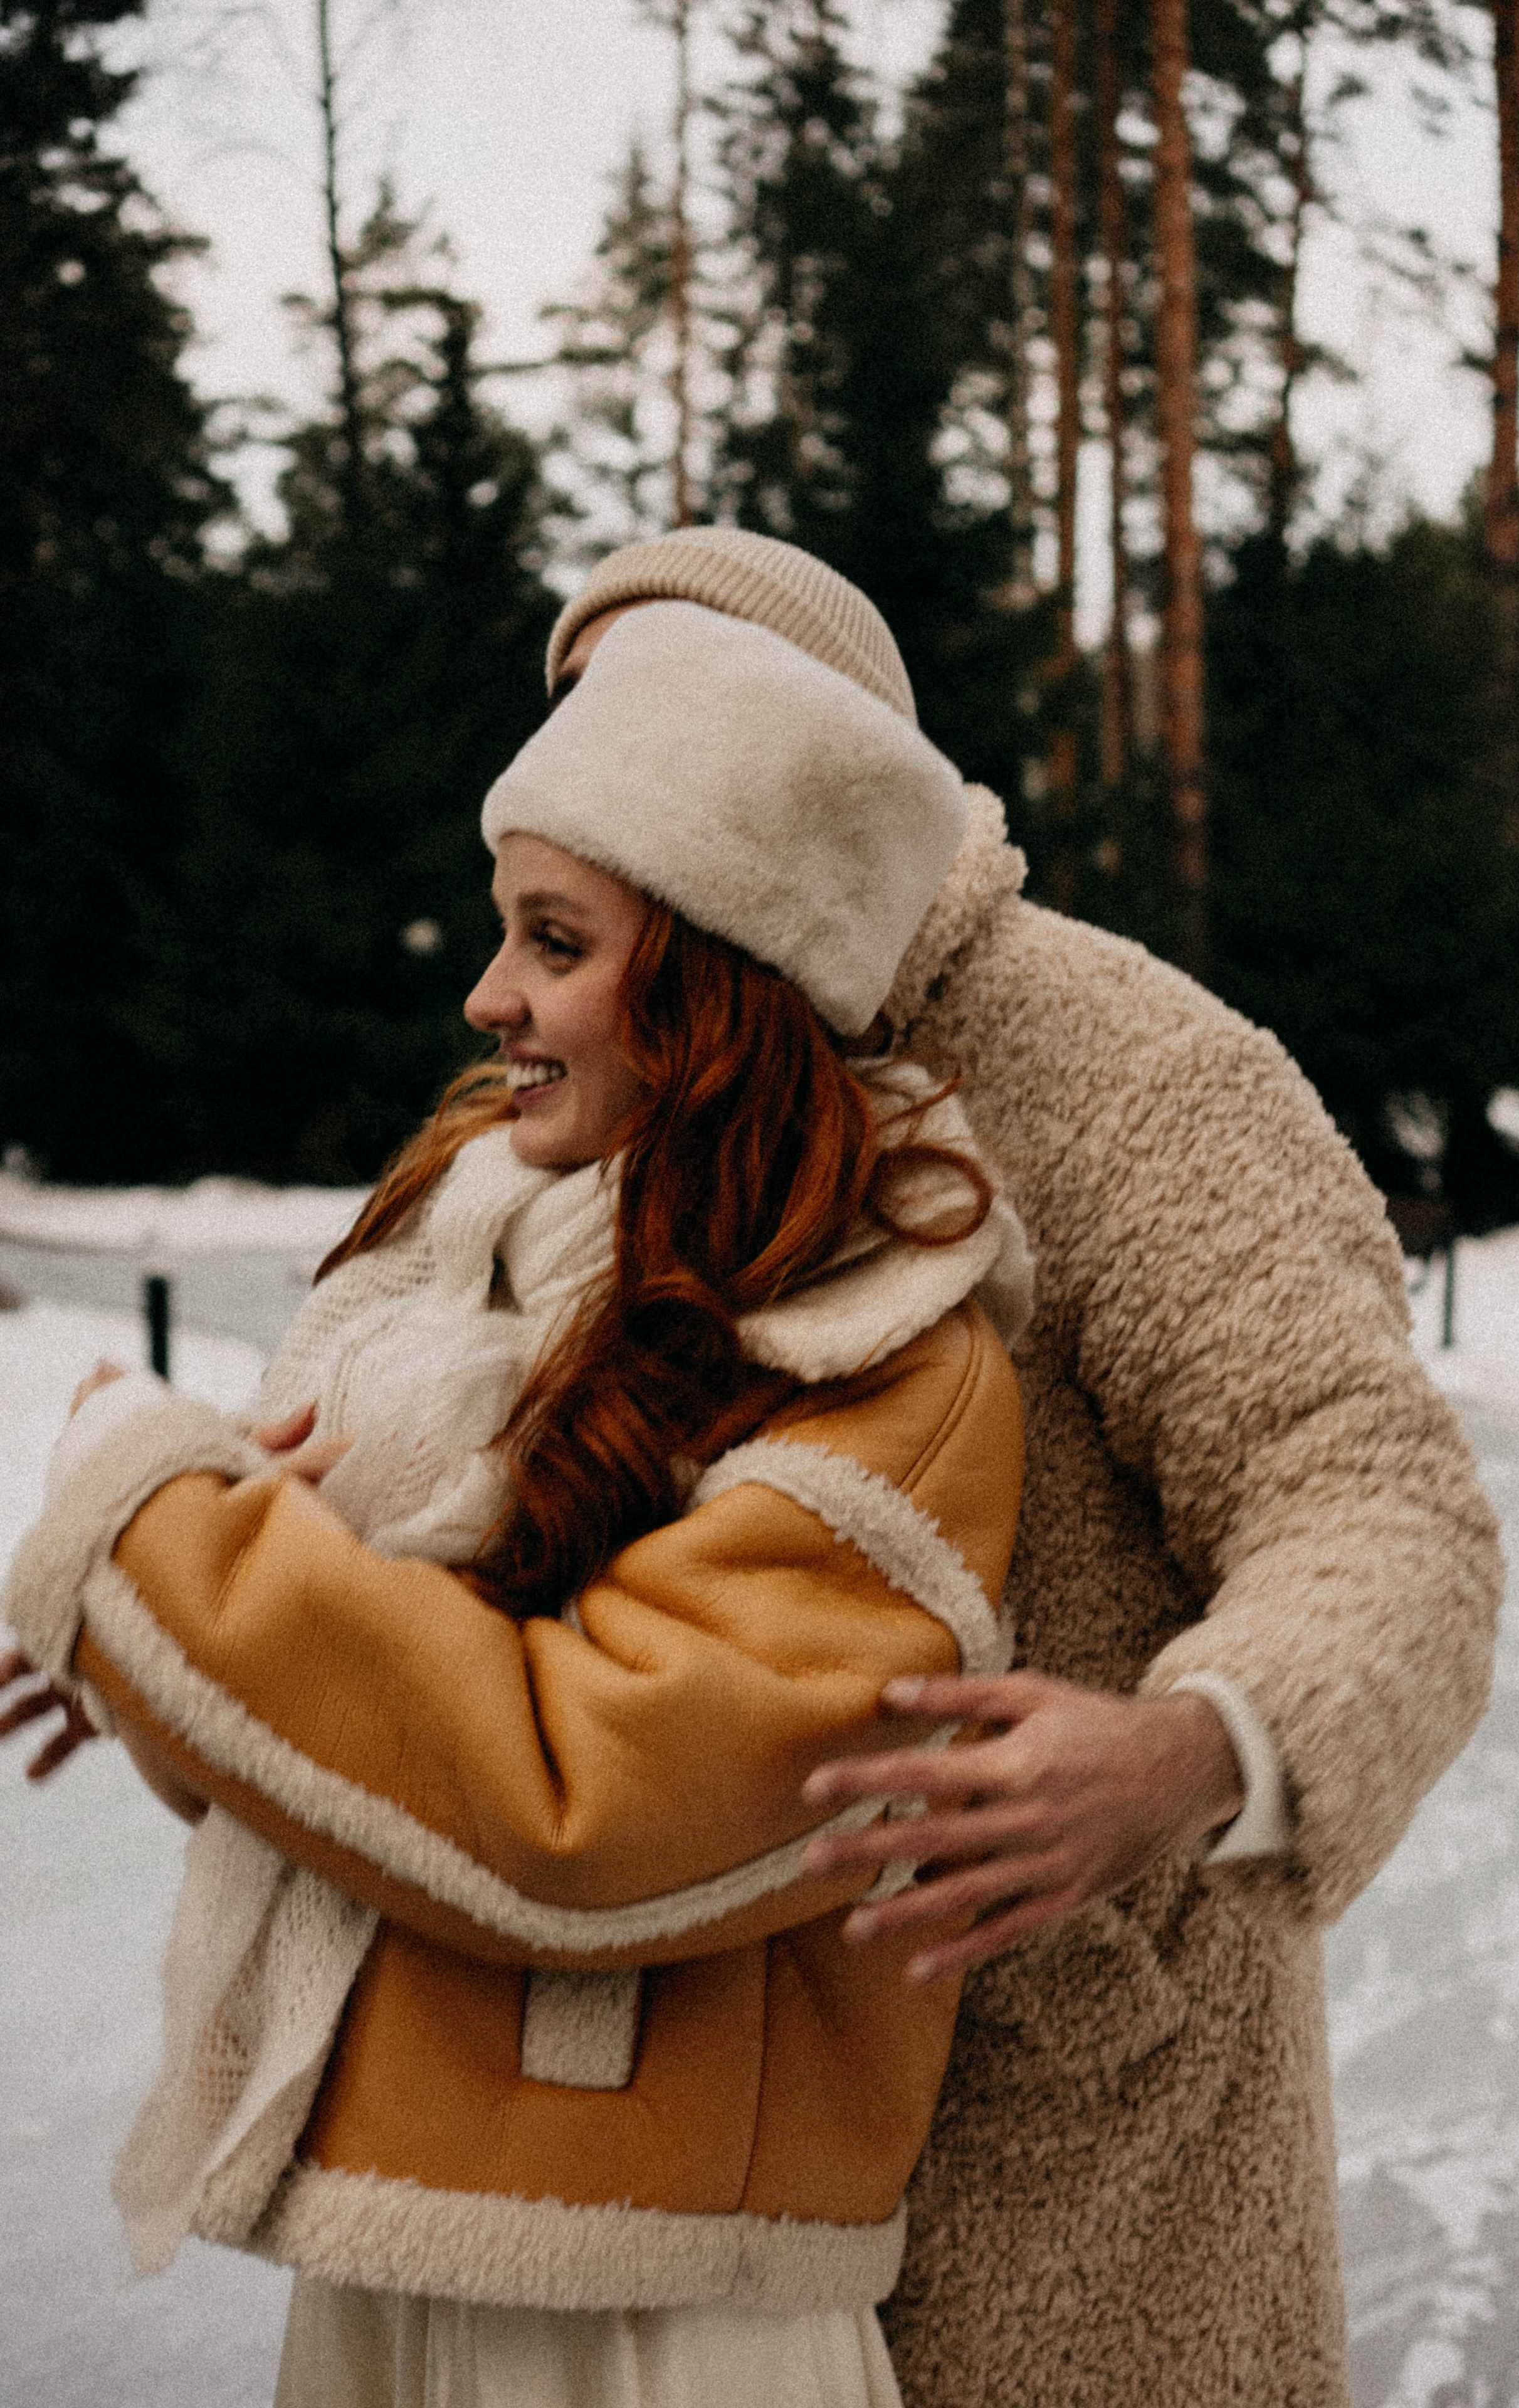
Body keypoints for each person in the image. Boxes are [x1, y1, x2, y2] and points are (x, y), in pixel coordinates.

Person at [1, 597, 1039, 2407]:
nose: (489, 999)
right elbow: (348, 1762)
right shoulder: (464, 1269)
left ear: (719, 986)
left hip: (662, 2310)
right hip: (393, 2240)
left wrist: (168, 1535)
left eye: (555, 942)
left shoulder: (888, 1362)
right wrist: (164, 1639)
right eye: (504, 930)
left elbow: (583, 1809)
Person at [523, 529, 1505, 2408]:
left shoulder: (1134, 1072)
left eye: (667, 712)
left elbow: (1379, 1499)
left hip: (1082, 2188)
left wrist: (1193, 1746)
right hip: (679, 2175)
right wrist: (189, 1580)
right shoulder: (605, 1072)